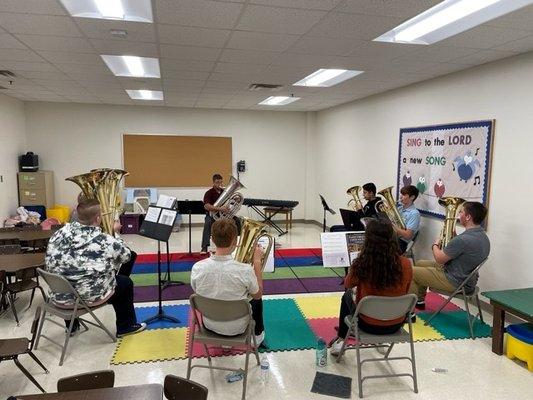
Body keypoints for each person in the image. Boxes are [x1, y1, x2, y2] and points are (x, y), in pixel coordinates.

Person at [45, 198, 145, 338]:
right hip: (87, 297)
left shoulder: (59, 233)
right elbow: (126, 256)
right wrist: (115, 233)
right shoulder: (104, 239)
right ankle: (126, 327)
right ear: (98, 219)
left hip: (59, 296)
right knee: (125, 283)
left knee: (66, 275)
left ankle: (72, 326)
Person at [330, 219, 413, 355]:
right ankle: (380, 342)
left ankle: (341, 340)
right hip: (396, 323)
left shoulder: (362, 263)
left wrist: (352, 268)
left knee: (346, 296)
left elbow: (348, 284)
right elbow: (407, 289)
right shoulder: (406, 264)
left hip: (367, 324)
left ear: (367, 239)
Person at [191, 218, 266, 347]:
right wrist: (257, 263)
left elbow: (197, 290)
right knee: (255, 299)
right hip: (238, 328)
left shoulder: (197, 267)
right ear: (235, 241)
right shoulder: (246, 270)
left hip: (209, 325)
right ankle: (258, 337)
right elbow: (258, 295)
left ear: (212, 239)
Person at [409, 201, 490, 312]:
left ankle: (410, 312)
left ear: (468, 217)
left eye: (460, 212)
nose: (458, 215)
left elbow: (440, 259)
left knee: (411, 271)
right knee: (420, 263)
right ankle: (420, 301)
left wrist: (435, 245)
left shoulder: (463, 239)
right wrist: (454, 237)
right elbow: (463, 252)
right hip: (467, 279)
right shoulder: (482, 237)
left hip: (454, 280)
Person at [200, 174, 229, 254]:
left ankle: (233, 244)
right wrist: (220, 209)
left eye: (221, 182)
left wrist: (235, 200)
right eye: (217, 182)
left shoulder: (225, 192)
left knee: (236, 221)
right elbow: (206, 206)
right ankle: (204, 247)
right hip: (211, 215)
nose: (219, 184)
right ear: (213, 182)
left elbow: (230, 203)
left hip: (223, 215)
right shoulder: (209, 193)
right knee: (207, 223)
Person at [393, 185, 421, 254]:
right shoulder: (399, 209)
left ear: (412, 197)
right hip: (392, 238)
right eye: (401, 194)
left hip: (401, 243)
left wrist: (393, 226)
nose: (401, 197)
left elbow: (408, 235)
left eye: (404, 195)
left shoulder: (414, 213)